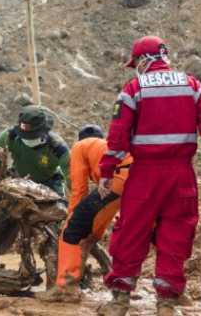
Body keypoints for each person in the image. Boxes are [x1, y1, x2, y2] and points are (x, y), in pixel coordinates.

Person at [97, 36, 201, 316]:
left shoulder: (134, 89)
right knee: (176, 235)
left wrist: (107, 171)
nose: (136, 68)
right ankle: (166, 305)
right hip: (182, 174)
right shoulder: (193, 85)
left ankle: (119, 301)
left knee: (131, 233)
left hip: (144, 174)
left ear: (144, 61)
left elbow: (118, 136)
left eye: (136, 63)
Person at [38, 125, 131, 303]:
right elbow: (106, 210)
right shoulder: (105, 146)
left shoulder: (80, 147)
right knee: (143, 234)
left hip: (118, 179)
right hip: (141, 179)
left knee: (71, 232)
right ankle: (173, 292)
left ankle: (67, 288)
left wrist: (71, 217)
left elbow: (79, 188)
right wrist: (92, 235)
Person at [0, 105, 70, 256]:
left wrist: (74, 201)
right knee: (0, 223)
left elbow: (71, 175)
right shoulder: (10, 136)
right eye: (25, 135)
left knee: (55, 226)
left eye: (32, 136)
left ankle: (57, 258)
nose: (28, 139)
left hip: (49, 185)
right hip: (19, 185)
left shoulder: (57, 146)